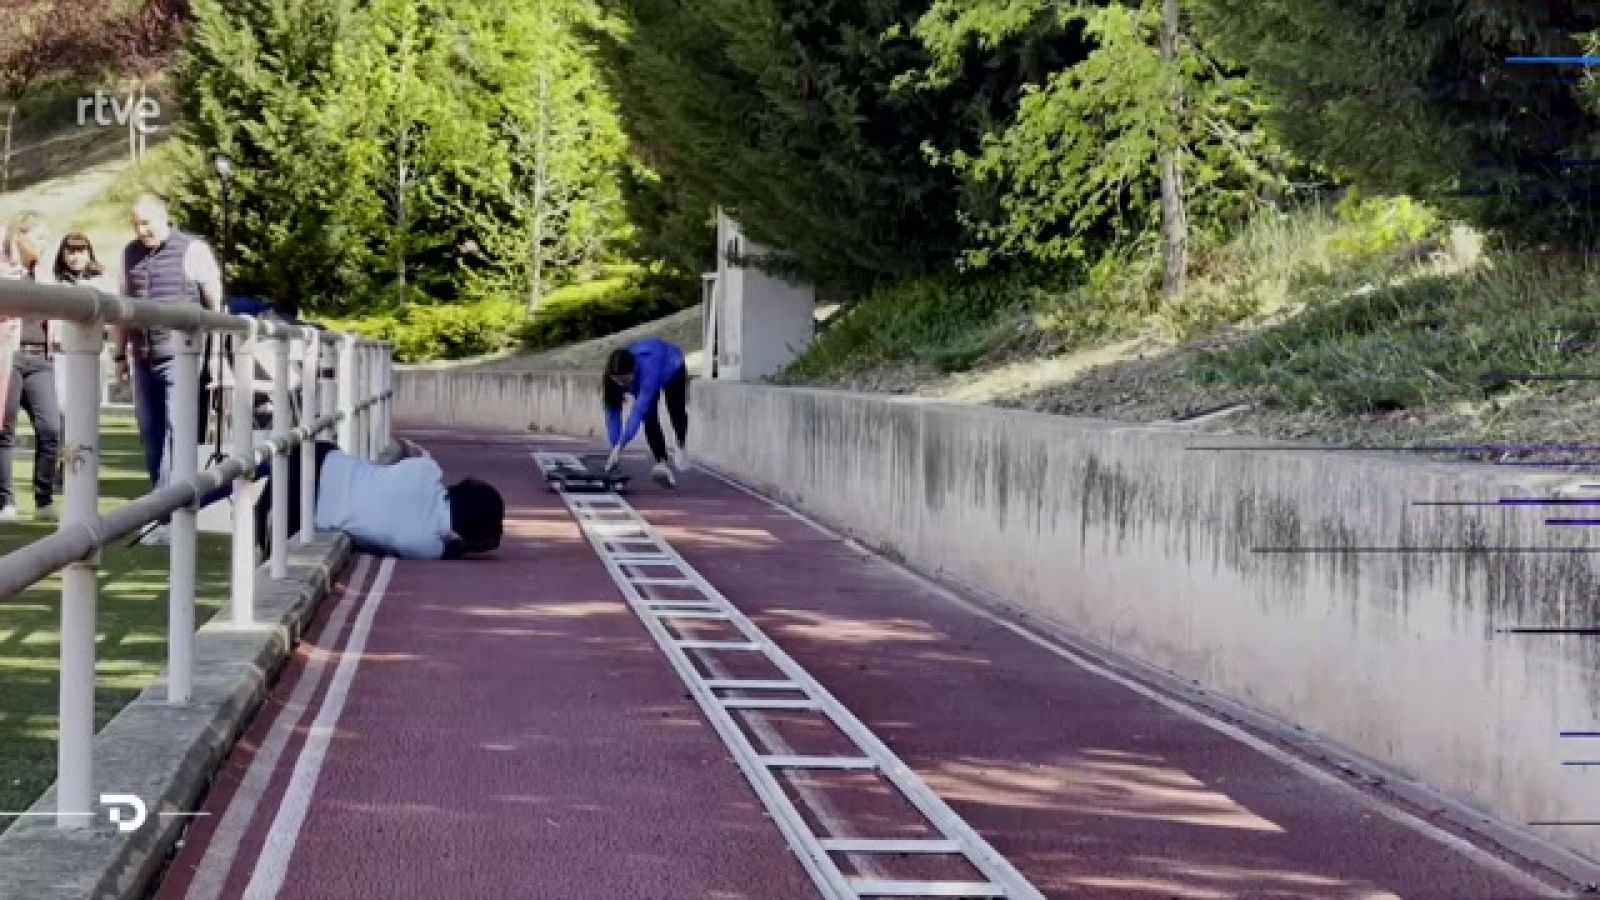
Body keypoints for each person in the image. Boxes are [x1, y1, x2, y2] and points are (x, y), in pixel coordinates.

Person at [113, 194, 224, 542]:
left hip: (181, 355)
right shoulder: (129, 254)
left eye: (146, 222)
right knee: (151, 435)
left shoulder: (193, 251)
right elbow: (121, 307)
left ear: (164, 217)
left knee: (178, 432)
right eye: (135, 223)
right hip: (142, 354)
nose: (140, 230)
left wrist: (218, 357)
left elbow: (215, 303)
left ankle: (165, 517)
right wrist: (119, 355)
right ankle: (165, 510)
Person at [209, 440, 505, 561]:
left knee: (248, 468)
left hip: (322, 459)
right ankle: (255, 527)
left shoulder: (427, 472)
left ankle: (188, 500)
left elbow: (409, 458)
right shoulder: (426, 547)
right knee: (263, 542)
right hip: (307, 513)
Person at [0, 211, 59, 521]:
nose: (44, 244)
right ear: (19, 236)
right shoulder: (3, 272)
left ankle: (44, 498)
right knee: (4, 429)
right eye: (39, 237)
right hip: (9, 355)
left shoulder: (44, 274)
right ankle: (6, 501)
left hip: (41, 358)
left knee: (50, 428)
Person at [602, 338, 691, 488]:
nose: (622, 385)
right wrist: (615, 446)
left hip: (672, 367)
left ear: (634, 370)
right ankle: (661, 461)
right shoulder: (613, 378)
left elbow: (638, 410)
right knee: (649, 418)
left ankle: (680, 443)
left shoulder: (648, 370)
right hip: (646, 373)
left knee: (676, 411)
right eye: (618, 381)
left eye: (625, 380)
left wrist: (621, 446)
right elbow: (613, 413)